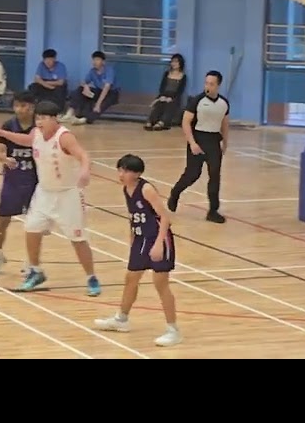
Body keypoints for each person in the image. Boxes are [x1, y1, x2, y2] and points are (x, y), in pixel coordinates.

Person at [0, 101, 101, 295]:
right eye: (38, 118)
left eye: (43, 118)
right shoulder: (36, 134)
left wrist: (85, 172)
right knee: (31, 229)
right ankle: (35, 271)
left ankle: (91, 277)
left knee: (78, 238)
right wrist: (3, 133)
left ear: (54, 118)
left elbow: (83, 155)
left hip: (68, 194)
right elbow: (25, 140)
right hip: (44, 193)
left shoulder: (64, 137)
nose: (39, 122)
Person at [93, 154, 181, 347]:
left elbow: (165, 217)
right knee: (131, 278)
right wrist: (132, 240)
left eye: (125, 170)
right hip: (141, 238)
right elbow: (134, 217)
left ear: (137, 173)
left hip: (158, 238)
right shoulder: (127, 189)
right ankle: (121, 319)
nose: (120, 174)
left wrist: (159, 243)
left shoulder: (147, 189)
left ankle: (173, 330)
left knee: (160, 283)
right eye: (120, 169)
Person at [0, 91, 38, 275]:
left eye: (23, 105)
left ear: (31, 107)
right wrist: (5, 159)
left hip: (35, 182)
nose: (19, 109)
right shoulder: (8, 125)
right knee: (2, 220)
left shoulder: (39, 126)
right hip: (13, 181)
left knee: (34, 224)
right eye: (16, 105)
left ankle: (31, 261)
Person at [167, 71, 230, 224]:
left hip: (214, 140)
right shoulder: (197, 101)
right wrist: (192, 143)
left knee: (215, 175)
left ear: (218, 85)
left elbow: (224, 124)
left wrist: (225, 142)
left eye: (212, 83)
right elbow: (186, 122)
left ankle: (213, 210)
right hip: (198, 139)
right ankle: (175, 193)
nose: (208, 86)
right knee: (192, 174)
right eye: (206, 83)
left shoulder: (224, 103)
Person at [61, 50, 119, 125]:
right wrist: (86, 86)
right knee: (80, 90)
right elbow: (83, 82)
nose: (94, 62)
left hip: (111, 93)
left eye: (97, 60)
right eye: (93, 60)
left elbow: (106, 88)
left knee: (100, 106)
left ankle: (84, 120)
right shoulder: (92, 71)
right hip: (99, 91)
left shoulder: (109, 70)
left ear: (103, 62)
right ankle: (69, 113)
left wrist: (98, 104)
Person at [144, 53, 187, 131]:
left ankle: (162, 122)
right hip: (164, 94)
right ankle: (151, 121)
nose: (174, 64)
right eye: (172, 61)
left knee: (170, 105)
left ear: (180, 63)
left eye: (176, 62)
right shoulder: (167, 73)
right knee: (159, 103)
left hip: (174, 96)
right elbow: (162, 87)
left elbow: (180, 90)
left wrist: (171, 98)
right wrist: (162, 96)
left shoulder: (183, 76)